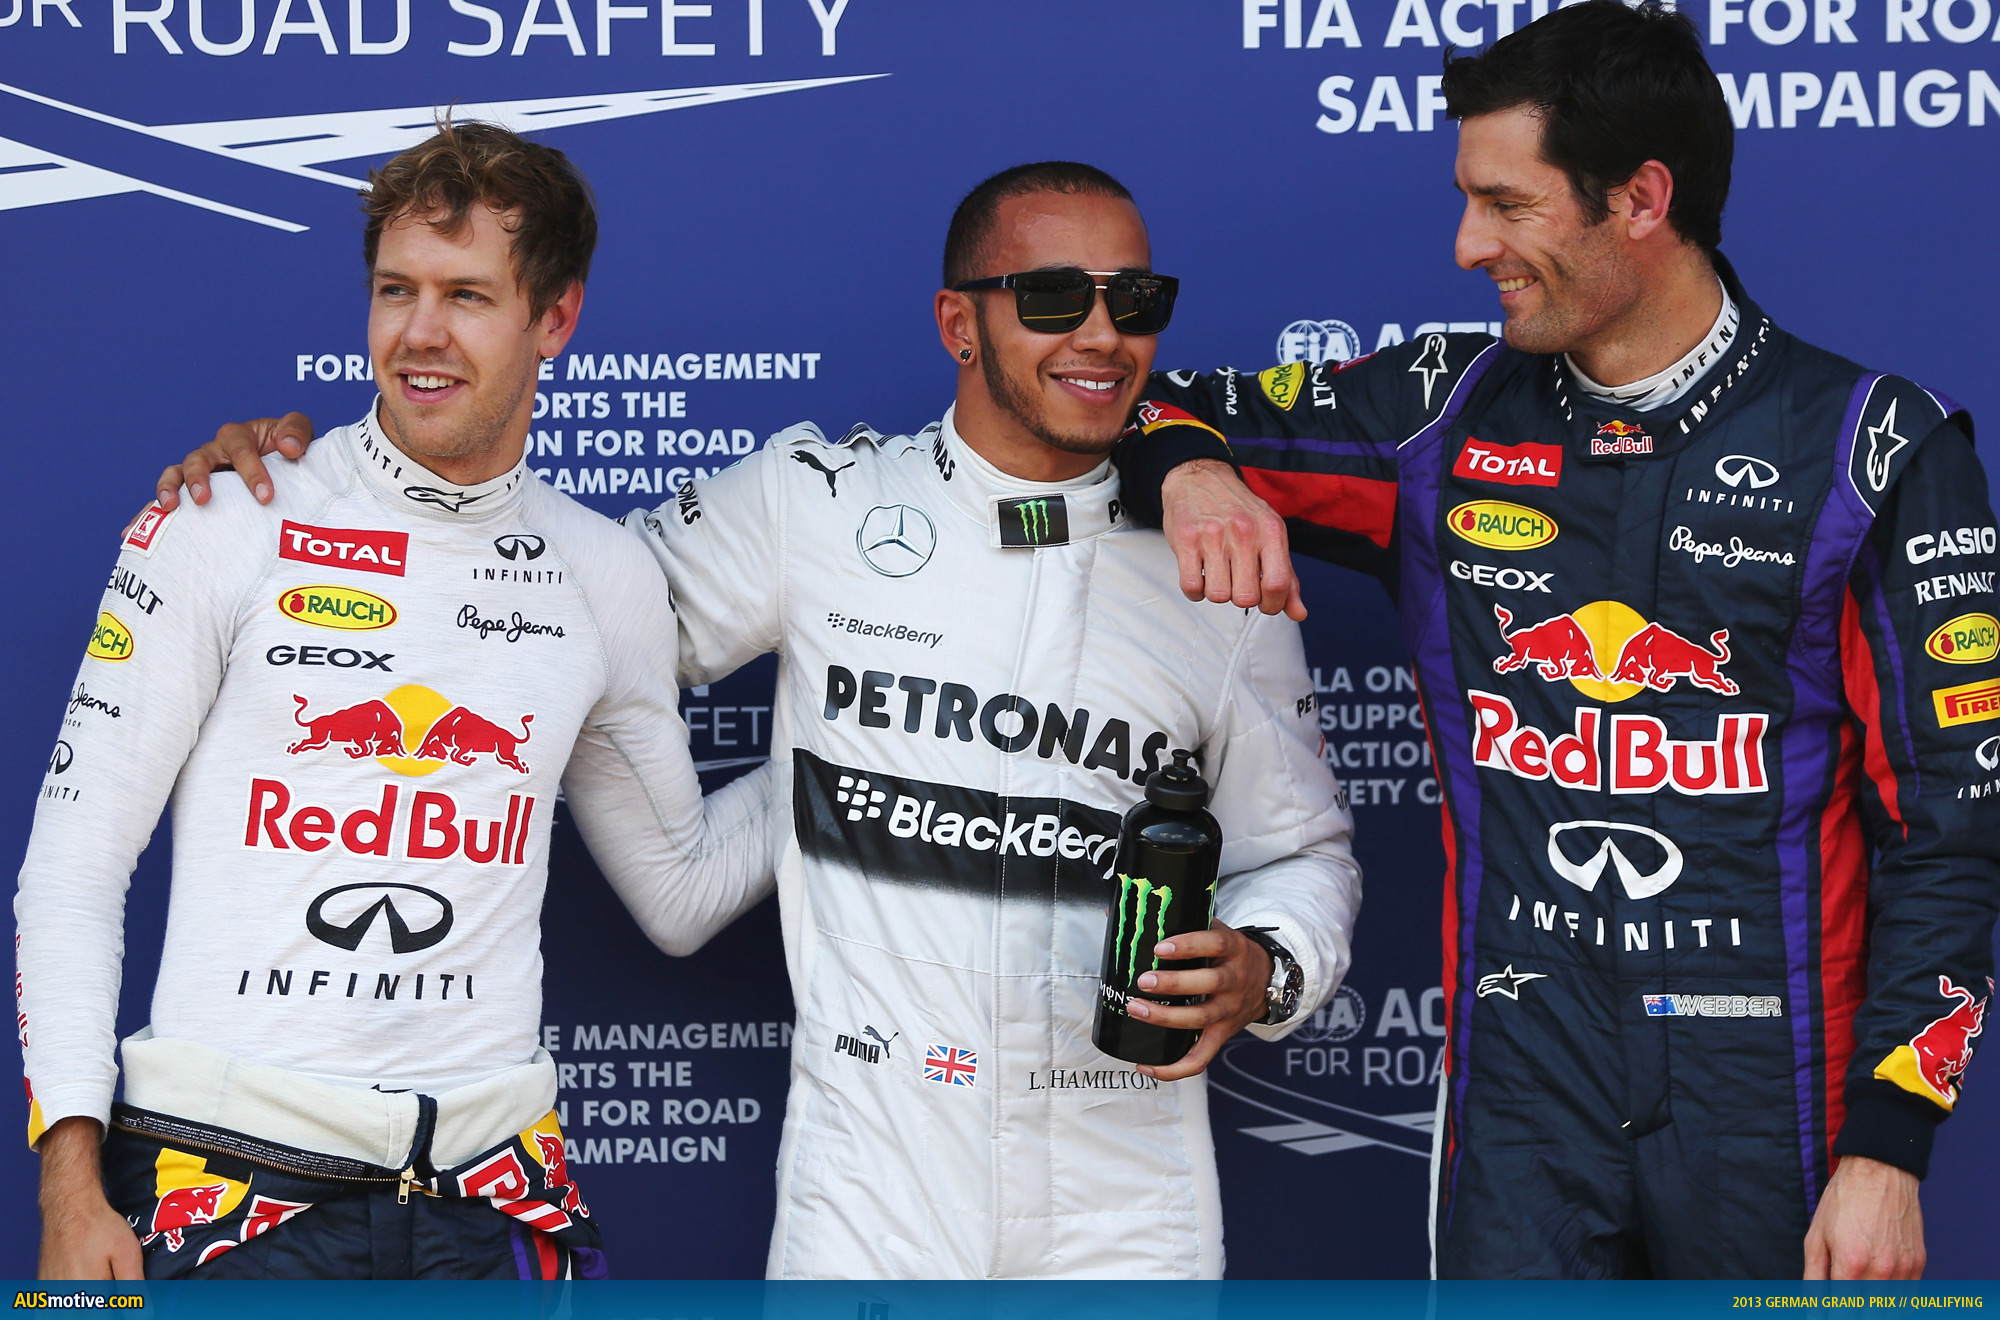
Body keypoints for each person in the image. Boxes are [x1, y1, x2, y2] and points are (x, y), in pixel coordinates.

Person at [155, 161, 1362, 1279]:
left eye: (1132, 300)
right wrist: (323, 490)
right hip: (870, 1195)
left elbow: (1302, 852)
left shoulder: (1220, 567)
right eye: (1052, 297)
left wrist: (1264, 966)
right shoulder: (814, 503)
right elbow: (543, 603)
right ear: (958, 323)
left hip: (1127, 1203)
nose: (1098, 334)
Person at [1111, 0, 2000, 1280]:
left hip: (1778, 1102)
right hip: (1521, 1092)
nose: (1467, 245)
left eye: (1506, 204)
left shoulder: (1874, 452)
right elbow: (1144, 404)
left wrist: (1888, 1149)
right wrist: (1196, 471)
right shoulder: (1438, 413)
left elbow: (1953, 836)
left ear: (1639, 198)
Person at [19, 122, 777, 1281]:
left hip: (489, 1200)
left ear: (554, 318)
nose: (419, 334)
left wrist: (868, 749)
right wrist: (69, 1186)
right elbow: (71, 871)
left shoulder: (602, 573)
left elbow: (680, 890)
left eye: (466, 295)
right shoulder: (223, 522)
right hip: (228, 1191)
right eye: (395, 290)